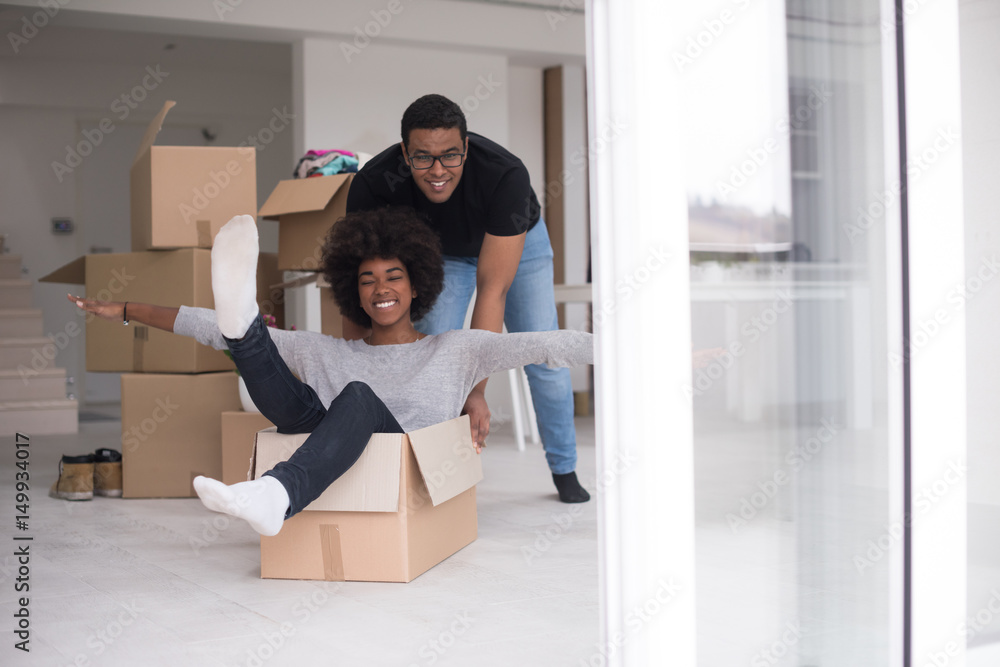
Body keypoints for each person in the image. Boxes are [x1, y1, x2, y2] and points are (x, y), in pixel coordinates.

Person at [69, 210, 593, 536]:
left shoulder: (459, 348)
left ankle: (275, 493)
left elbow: (548, 345)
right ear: (354, 292)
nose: (380, 288)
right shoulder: (330, 351)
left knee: (357, 398)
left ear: (416, 287)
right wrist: (131, 309)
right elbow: (204, 328)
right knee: (266, 358)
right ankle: (244, 322)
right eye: (367, 280)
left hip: (406, 467)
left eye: (394, 276)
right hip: (319, 435)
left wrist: (631, 350)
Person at [345, 93, 590, 503]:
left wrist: (476, 392)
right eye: (422, 157)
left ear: (467, 148)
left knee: (542, 357)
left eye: (451, 156)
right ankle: (422, 472)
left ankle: (564, 468)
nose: (438, 170)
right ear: (405, 153)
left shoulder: (505, 175)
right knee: (430, 352)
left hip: (518, 243)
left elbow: (493, 290)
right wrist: (354, 370)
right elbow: (356, 284)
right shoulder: (374, 184)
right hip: (441, 252)